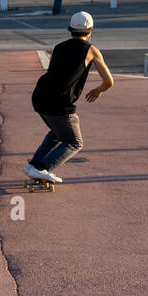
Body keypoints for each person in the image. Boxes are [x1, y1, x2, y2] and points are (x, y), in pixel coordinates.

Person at [26, 10, 113, 184]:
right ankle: (43, 169)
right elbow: (109, 81)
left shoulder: (58, 47)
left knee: (57, 133)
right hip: (60, 103)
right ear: (91, 30)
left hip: (40, 96)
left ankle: (34, 164)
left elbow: (57, 75)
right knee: (74, 142)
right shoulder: (92, 51)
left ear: (70, 29)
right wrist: (98, 90)